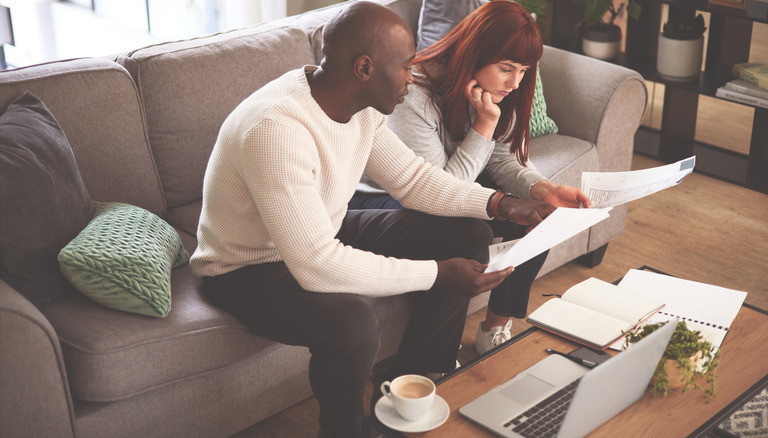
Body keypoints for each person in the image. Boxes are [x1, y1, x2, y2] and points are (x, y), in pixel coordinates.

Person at [190, 2, 556, 437]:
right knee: (353, 324)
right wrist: (437, 274)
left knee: (467, 233)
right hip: (246, 266)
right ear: (365, 67)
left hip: (319, 228)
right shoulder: (277, 129)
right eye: (406, 66)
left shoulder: (360, 105)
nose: (412, 77)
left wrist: (501, 203)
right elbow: (317, 265)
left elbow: (414, 182)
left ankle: (417, 381)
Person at [349, 0, 590, 355]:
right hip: (382, 197)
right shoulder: (414, 93)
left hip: (439, 189)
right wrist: (484, 124)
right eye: (507, 68)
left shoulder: (498, 88)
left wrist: (545, 188)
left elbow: (503, 160)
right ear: (473, 52)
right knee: (467, 233)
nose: (515, 82)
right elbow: (437, 190)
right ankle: (428, 362)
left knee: (539, 215)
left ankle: (495, 326)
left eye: (523, 70)